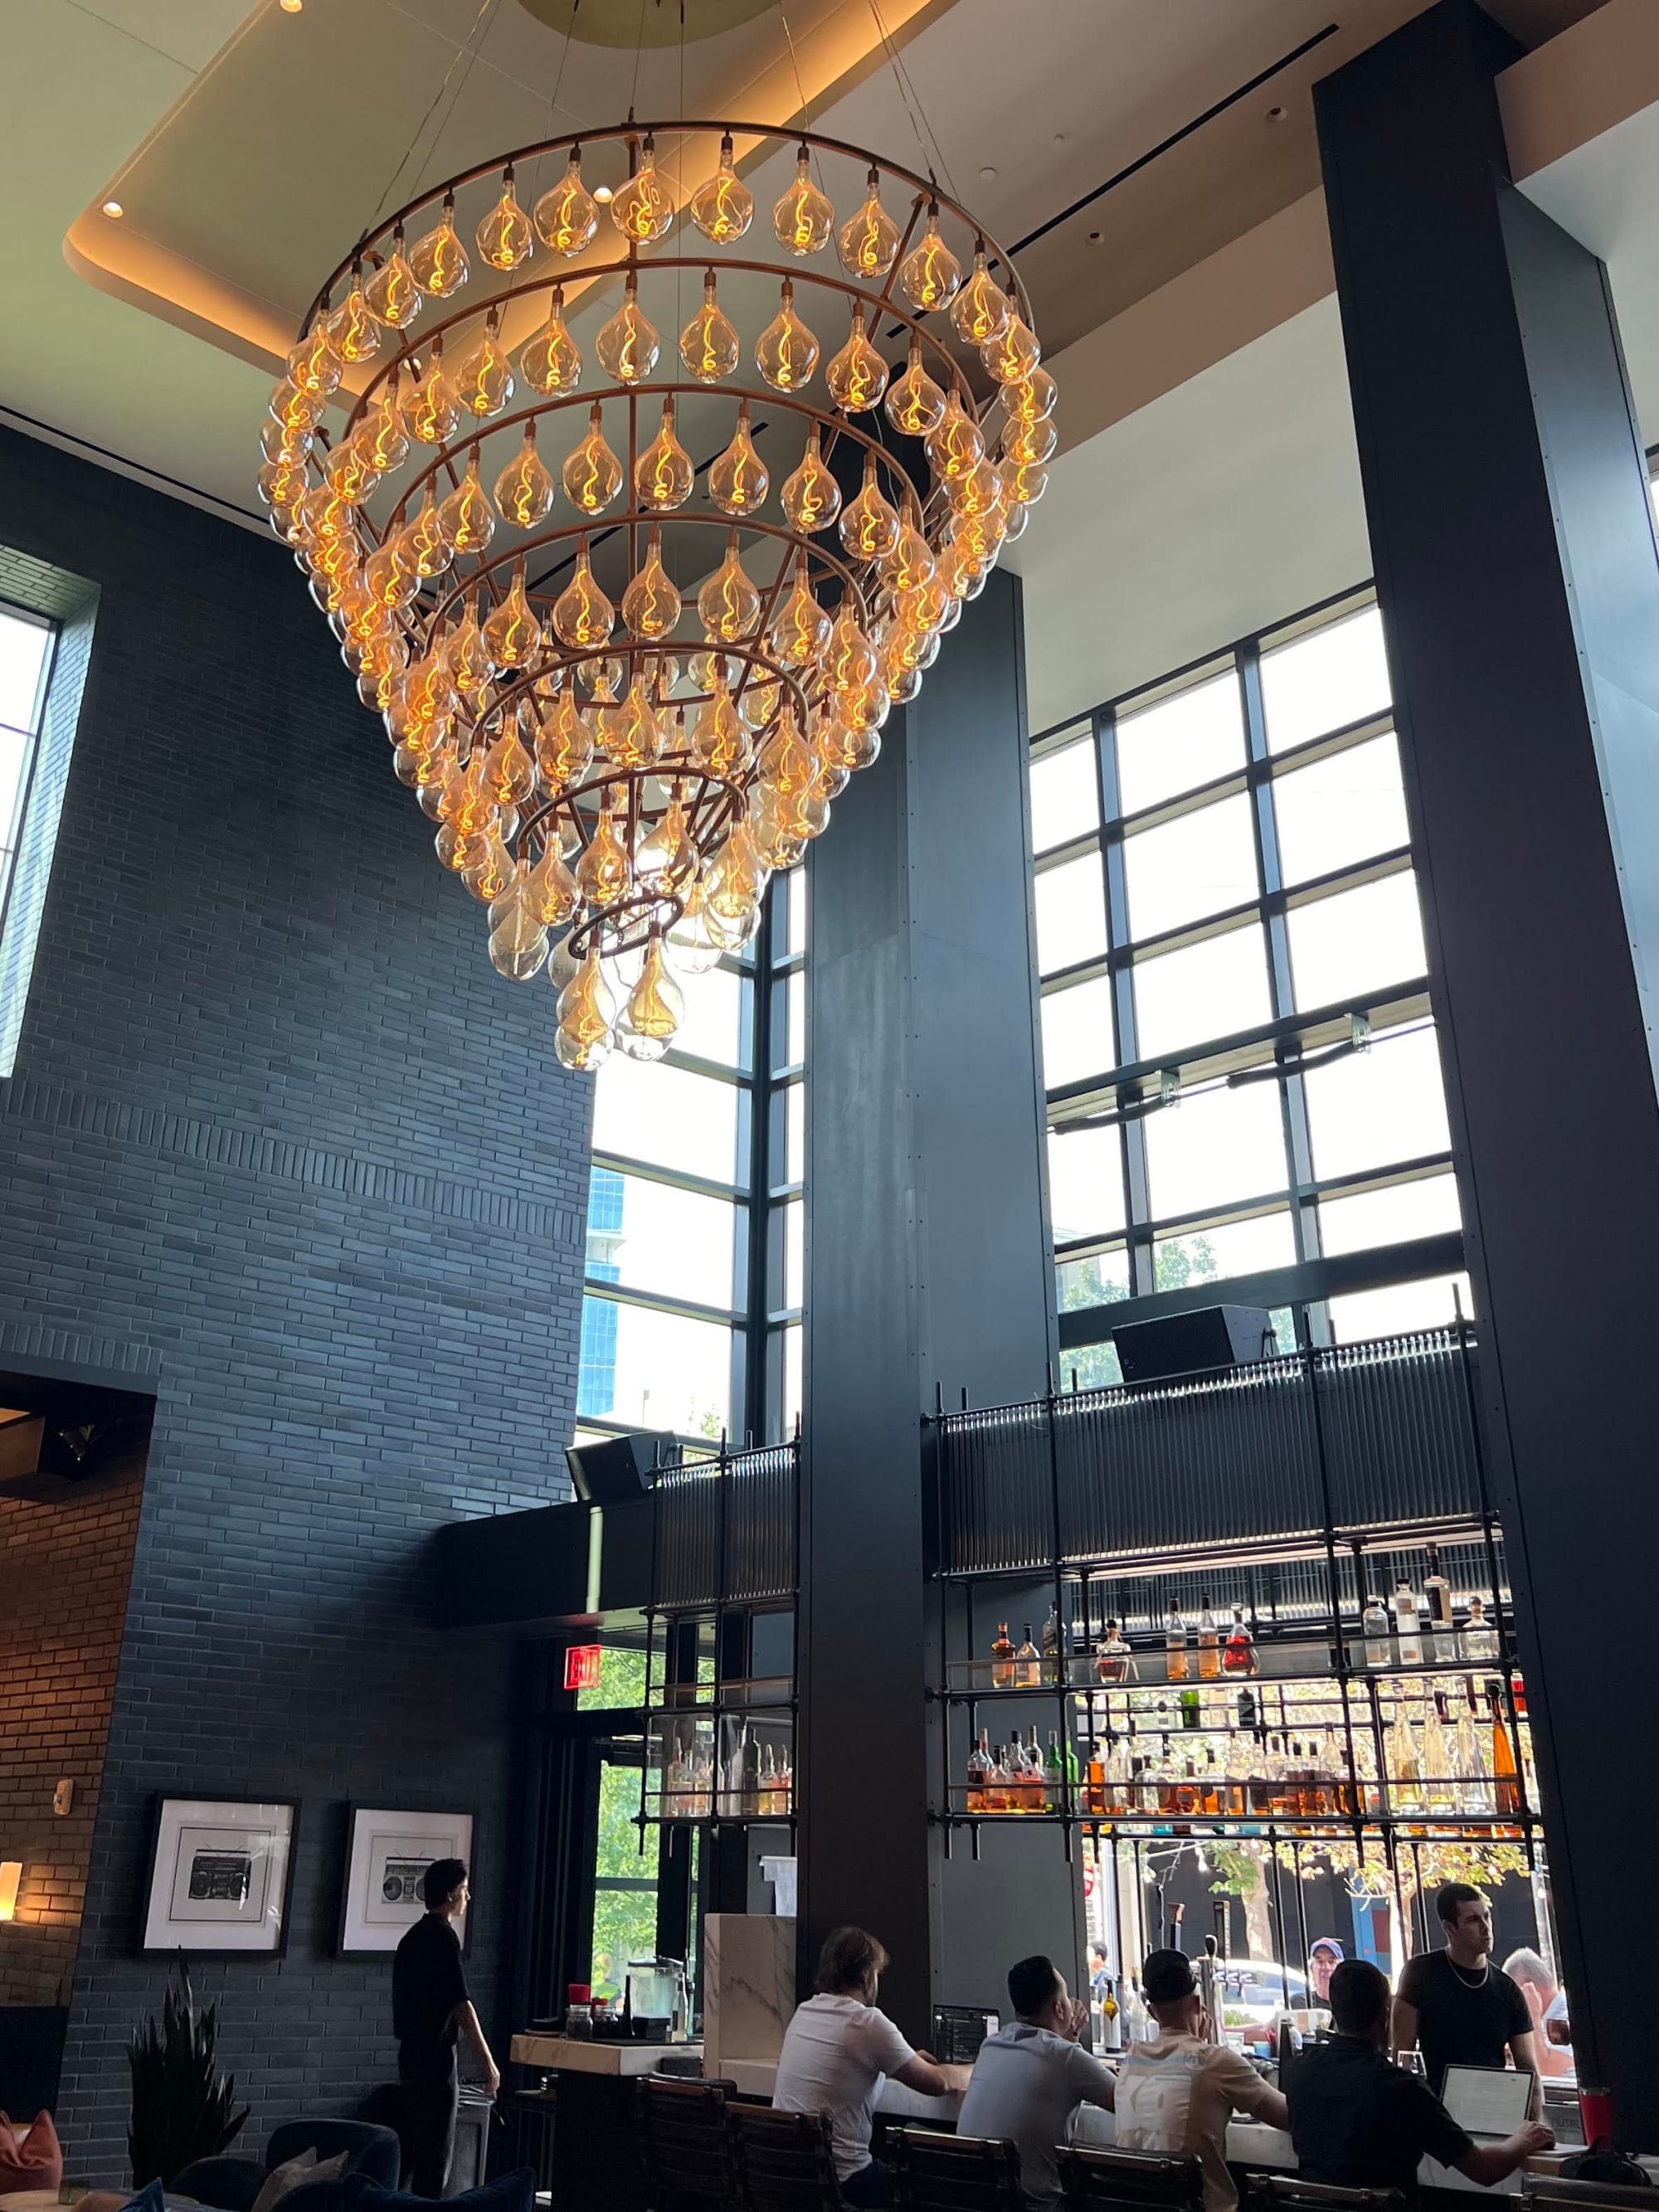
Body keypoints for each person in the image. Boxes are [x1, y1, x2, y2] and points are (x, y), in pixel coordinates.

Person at [1287, 1959, 1553, 2206]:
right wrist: (1524, 2139)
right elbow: (1484, 2169)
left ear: (1335, 2009)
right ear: (1385, 2016)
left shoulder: (1299, 2073)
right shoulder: (1399, 2088)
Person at [772, 1926, 970, 2208]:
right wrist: (979, 2068)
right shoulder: (867, 2022)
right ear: (866, 1975)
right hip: (845, 2183)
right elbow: (937, 2083)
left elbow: (849, 2056)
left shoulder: (805, 2012)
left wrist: (905, 2057)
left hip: (794, 2180)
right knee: (936, 2186)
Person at [1112, 1949, 1287, 2212]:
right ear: (1197, 2005)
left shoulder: (1130, 2062)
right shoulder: (1215, 2061)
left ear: (1151, 2012)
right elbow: (1291, 2117)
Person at [956, 1956, 1116, 2210]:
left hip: (979, 2202)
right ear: (1060, 2009)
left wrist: (1070, 2039)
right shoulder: (1066, 2057)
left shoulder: (991, 2046)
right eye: (1066, 1997)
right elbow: (1128, 2102)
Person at [392, 1859, 500, 2199]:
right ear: (453, 1894)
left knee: (414, 2149)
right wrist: (487, 2062)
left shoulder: (411, 1938)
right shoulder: (443, 1937)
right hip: (436, 2059)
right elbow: (461, 2004)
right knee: (437, 2157)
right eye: (466, 1891)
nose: (469, 1898)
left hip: (410, 2054)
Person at [1394, 1884, 1540, 2107]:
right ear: (1450, 1928)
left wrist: (1535, 2126)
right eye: (1473, 1920)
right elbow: (1402, 2057)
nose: (1486, 1928)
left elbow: (1529, 2069)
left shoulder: (1506, 1988)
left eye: (1487, 1916)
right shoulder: (1421, 1973)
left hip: (1493, 2106)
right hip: (1438, 2111)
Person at [1501, 1947, 1574, 2079]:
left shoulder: (1565, 2016)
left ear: (1530, 1987)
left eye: (1513, 1994)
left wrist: (1532, 2016)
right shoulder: (1547, 2017)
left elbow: (1545, 2070)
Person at [1307, 1937, 1343, 2006]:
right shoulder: (1301, 2003)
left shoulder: (1351, 2005)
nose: (1326, 1968)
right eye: (1320, 1962)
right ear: (1311, 1968)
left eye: (1331, 1962)